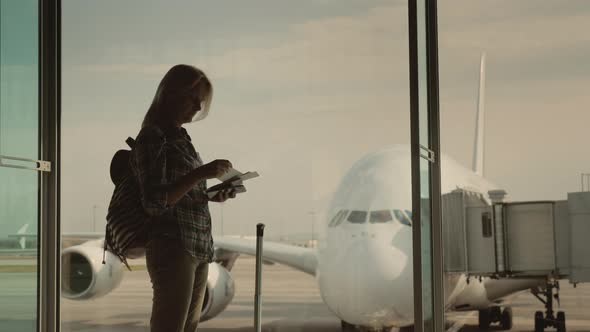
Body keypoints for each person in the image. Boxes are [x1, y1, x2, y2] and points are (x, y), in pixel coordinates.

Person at [130, 64, 235, 332]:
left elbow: (180, 193)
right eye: (193, 99)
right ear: (171, 94)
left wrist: (211, 195)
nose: (198, 108)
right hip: (173, 245)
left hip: (196, 245)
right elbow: (155, 201)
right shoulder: (154, 136)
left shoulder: (181, 138)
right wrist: (202, 172)